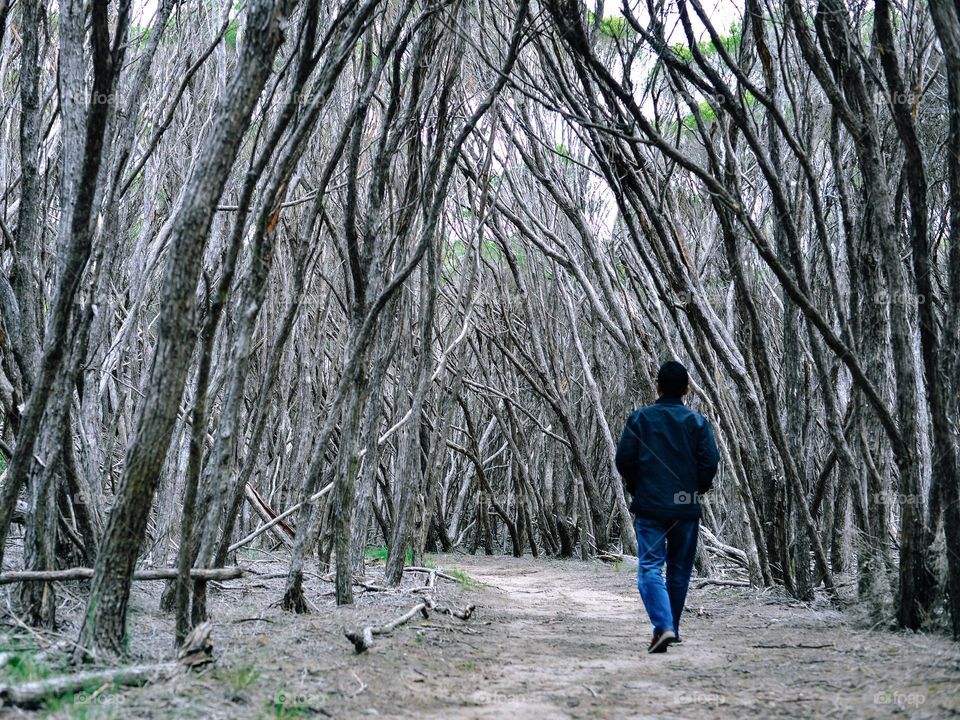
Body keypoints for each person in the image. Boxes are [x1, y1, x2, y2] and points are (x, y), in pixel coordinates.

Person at [615, 360, 720, 653]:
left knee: (650, 567)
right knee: (679, 571)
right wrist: (694, 490)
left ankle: (664, 628)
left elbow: (623, 460)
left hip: (650, 507)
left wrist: (638, 486)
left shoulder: (640, 419)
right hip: (684, 508)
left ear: (657, 386)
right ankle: (668, 627)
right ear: (687, 389)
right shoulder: (697, 423)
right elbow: (709, 463)